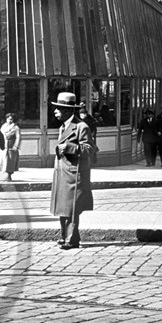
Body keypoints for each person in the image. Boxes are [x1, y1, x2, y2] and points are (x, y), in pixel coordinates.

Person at [50, 91, 94, 249]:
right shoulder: (63, 126)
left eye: (58, 109)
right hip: (63, 173)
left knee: (72, 209)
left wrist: (70, 147)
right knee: (63, 207)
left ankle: (72, 240)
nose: (55, 111)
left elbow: (90, 149)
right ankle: (64, 236)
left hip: (75, 175)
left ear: (68, 111)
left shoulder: (81, 127)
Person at [1, 112, 22, 182]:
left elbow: (18, 137)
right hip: (4, 146)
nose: (9, 121)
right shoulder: (3, 126)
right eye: (8, 119)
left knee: (10, 162)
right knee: (4, 161)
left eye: (11, 119)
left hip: (11, 147)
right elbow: (1, 135)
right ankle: (4, 175)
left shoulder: (16, 128)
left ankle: (9, 176)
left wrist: (15, 146)